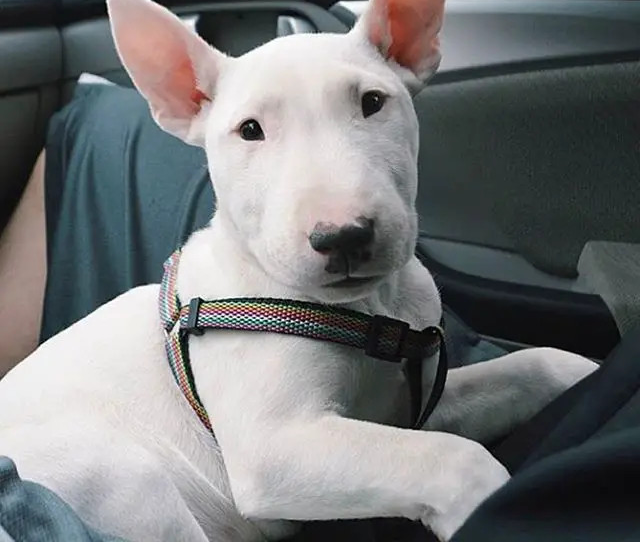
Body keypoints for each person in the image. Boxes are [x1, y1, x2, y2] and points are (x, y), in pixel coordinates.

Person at [1, 78, 639, 541]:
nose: (340, 224)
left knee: (542, 370)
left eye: (369, 103)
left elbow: (389, 417)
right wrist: (450, 474)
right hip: (68, 475)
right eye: (251, 129)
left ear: (412, 49)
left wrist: (549, 376)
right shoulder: (236, 300)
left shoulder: (407, 293)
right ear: (182, 97)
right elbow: (269, 472)